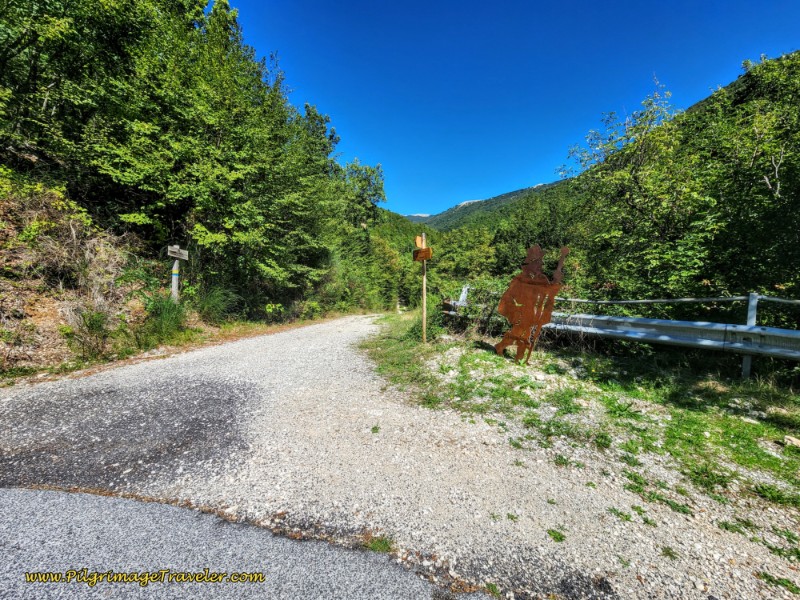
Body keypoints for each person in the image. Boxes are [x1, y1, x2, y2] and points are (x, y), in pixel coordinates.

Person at [494, 245, 569, 364]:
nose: (540, 266)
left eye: (541, 263)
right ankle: (503, 348)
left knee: (526, 334)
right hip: (521, 312)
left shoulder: (542, 279)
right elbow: (509, 296)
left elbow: (549, 291)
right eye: (537, 263)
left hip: (533, 312)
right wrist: (515, 307)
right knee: (518, 333)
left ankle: (517, 356)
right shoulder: (520, 279)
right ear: (530, 265)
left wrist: (556, 281)